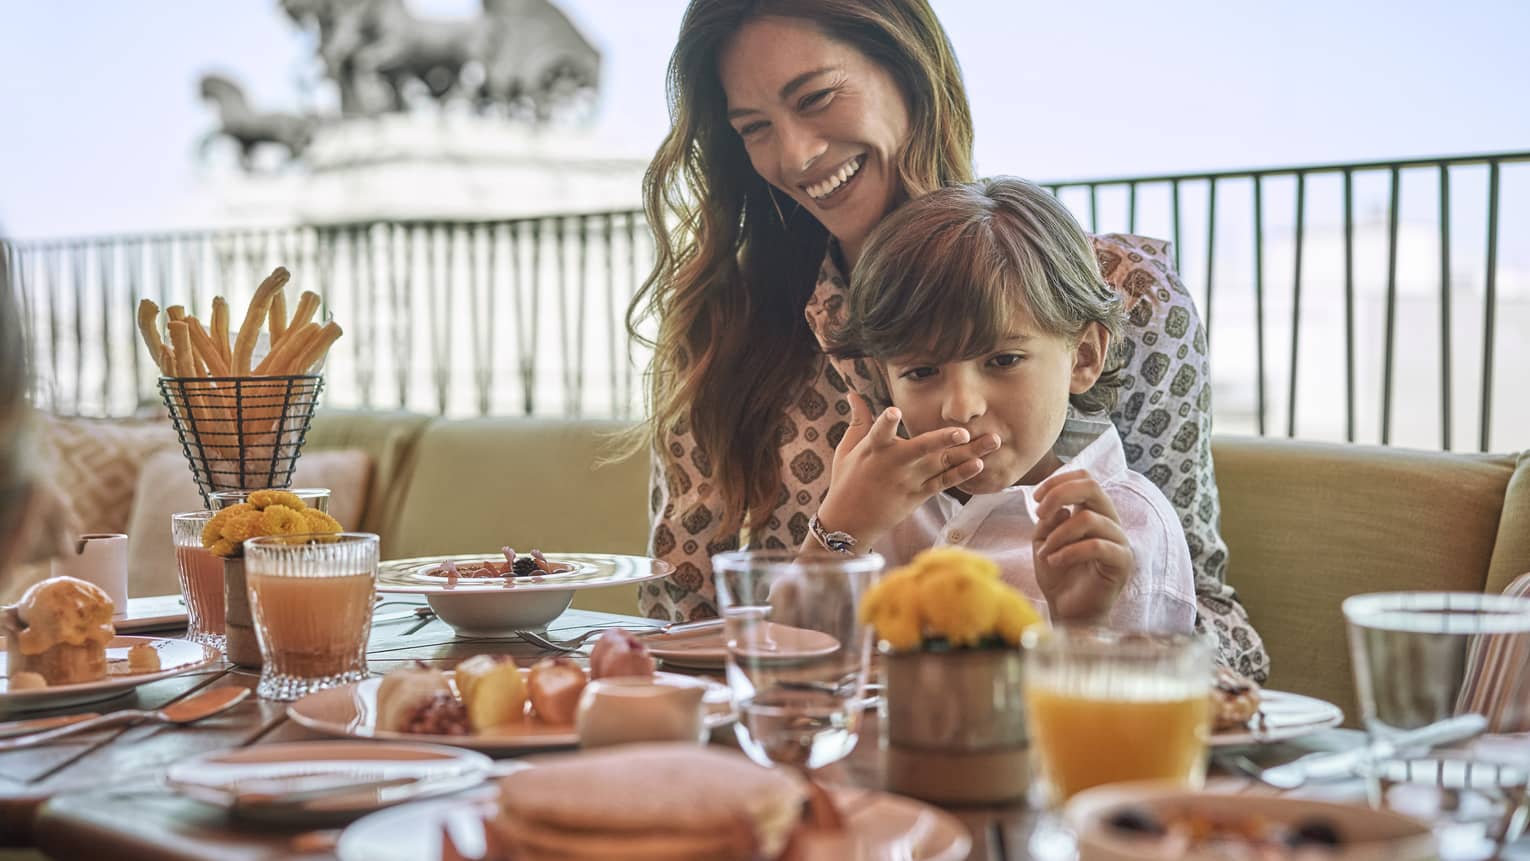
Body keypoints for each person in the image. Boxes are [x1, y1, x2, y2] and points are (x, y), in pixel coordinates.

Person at [628, 0, 1269, 679]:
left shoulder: (1122, 294)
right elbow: (678, 616)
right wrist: (834, 543)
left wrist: (1096, 636)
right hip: (804, 729)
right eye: (754, 128)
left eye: (816, 97)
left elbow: (1206, 611)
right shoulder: (725, 326)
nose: (795, 154)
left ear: (909, 70)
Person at [819, 177, 1194, 631]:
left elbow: (1128, 701)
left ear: (1085, 357)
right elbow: (782, 671)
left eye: (1003, 360)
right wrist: (837, 529)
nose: (960, 408)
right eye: (921, 372)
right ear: (886, 378)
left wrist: (1080, 624)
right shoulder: (877, 504)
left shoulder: (1126, 530)